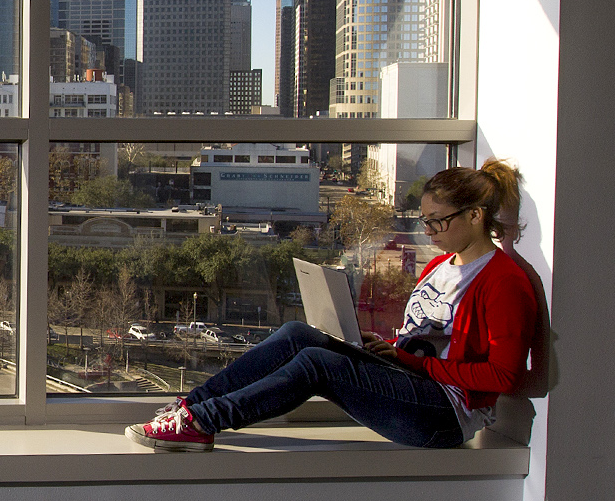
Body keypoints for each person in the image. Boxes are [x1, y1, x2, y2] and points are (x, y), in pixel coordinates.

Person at [126, 159, 540, 451]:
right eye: (425, 220)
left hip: (442, 413)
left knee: (315, 365)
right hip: (413, 380)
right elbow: (434, 337)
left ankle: (201, 423)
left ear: (476, 216)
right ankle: (191, 405)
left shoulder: (505, 282)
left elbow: (502, 377)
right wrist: (392, 348)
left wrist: (414, 363)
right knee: (297, 334)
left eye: (438, 221)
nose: (428, 231)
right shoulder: (441, 263)